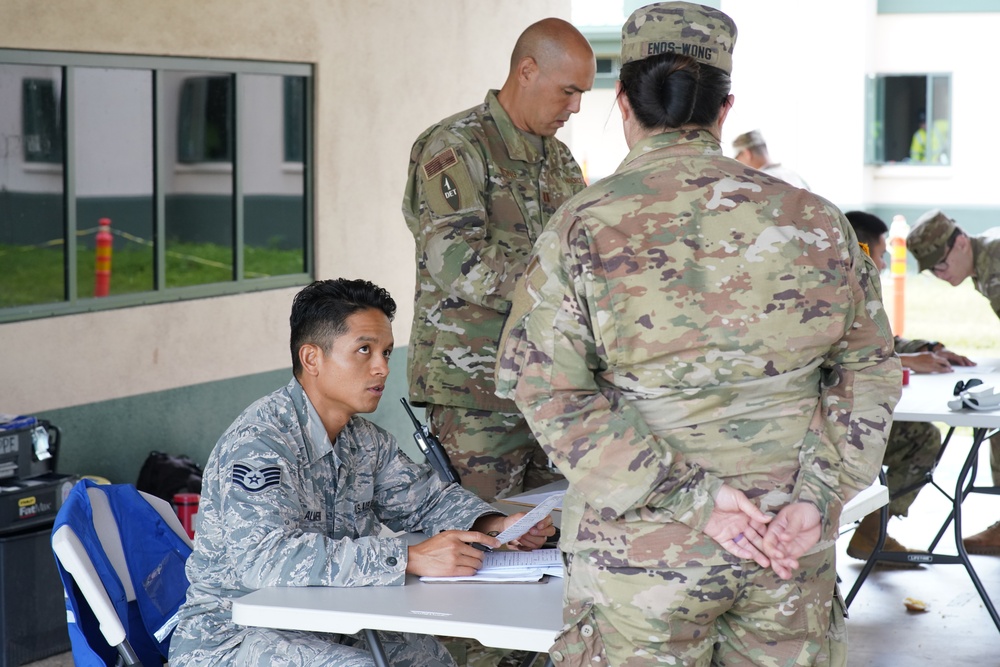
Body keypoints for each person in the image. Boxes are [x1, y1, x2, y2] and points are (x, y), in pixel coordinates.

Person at [496, 3, 901, 664]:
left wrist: (694, 499)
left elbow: (547, 390)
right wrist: (820, 496)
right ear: (726, 106)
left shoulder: (582, 226)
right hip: (785, 544)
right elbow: (872, 369)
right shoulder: (818, 222)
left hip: (642, 559)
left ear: (623, 100)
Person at [169, 278, 554, 667]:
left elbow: (427, 500)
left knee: (426, 657)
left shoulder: (364, 440)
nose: (382, 367)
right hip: (232, 638)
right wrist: (407, 558)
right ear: (312, 359)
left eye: (386, 352)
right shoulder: (260, 443)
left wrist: (495, 525)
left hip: (327, 622)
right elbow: (263, 558)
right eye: (364, 350)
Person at [402, 18, 596, 504]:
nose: (575, 107)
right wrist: (559, 290)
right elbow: (454, 258)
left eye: (583, 95)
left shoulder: (561, 162)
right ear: (527, 70)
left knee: (548, 532)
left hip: (550, 386)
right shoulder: (457, 146)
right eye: (568, 91)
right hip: (476, 394)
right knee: (483, 537)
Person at [844, 210, 975, 564]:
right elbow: (834, 360)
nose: (884, 263)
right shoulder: (832, 293)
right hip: (830, 428)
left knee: (920, 433)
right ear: (860, 251)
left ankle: (874, 530)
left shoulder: (850, 285)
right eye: (880, 253)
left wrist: (927, 348)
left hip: (842, 419)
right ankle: (873, 531)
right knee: (922, 438)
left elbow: (879, 343)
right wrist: (907, 362)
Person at [908, 208, 1000, 555]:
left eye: (941, 265)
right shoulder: (987, 256)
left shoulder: (997, 260)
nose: (939, 275)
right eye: (932, 270)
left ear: (961, 243)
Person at [732, 128, 810, 189]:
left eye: (738, 157)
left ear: (747, 154)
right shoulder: (793, 175)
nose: (738, 162)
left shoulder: (759, 180)